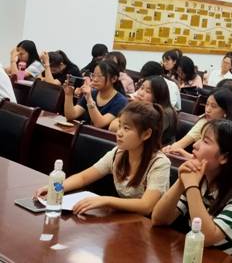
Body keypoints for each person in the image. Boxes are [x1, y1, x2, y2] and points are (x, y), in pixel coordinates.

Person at [152, 119, 232, 263]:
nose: (195, 145)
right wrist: (181, 182)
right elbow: (159, 219)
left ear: (224, 157)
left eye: (205, 141)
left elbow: (206, 238)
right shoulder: (201, 178)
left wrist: (191, 185)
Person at [35, 101, 170, 216]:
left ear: (146, 134)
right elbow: (83, 177)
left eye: (126, 128)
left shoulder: (159, 163)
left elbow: (146, 206)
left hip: (148, 227)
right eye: (120, 126)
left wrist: (106, 200)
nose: (119, 133)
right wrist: (55, 187)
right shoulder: (118, 153)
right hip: (124, 219)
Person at [163, 88, 232, 157]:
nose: (207, 110)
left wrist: (183, 153)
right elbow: (180, 144)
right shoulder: (204, 122)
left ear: (226, 111)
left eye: (213, 106)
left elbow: (210, 162)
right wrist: (169, 149)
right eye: (207, 104)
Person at [112, 76, 177, 145]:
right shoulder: (140, 107)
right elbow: (113, 126)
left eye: (148, 91)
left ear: (158, 95)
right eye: (142, 88)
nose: (141, 93)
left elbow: (139, 135)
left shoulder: (164, 113)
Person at [64, 60, 128, 128]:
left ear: (114, 79)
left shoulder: (121, 101)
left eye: (99, 76)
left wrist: (89, 99)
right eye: (93, 75)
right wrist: (68, 95)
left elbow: (99, 124)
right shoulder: (92, 93)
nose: (95, 79)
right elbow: (71, 115)